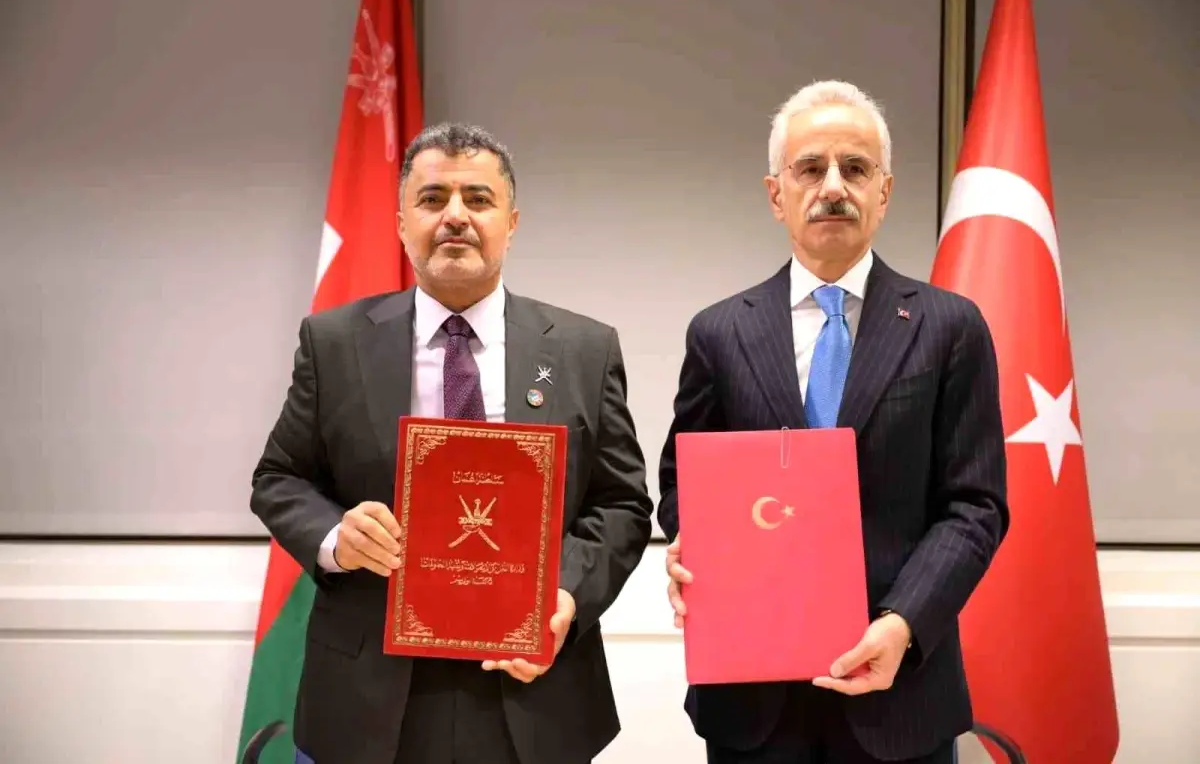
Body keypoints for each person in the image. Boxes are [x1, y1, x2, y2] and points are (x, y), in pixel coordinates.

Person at [250, 122, 654, 764]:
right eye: (433, 199)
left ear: (511, 223)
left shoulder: (584, 350)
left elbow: (622, 505)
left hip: (533, 691)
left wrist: (565, 597)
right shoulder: (333, 343)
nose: (455, 217)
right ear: (401, 222)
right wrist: (335, 538)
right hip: (369, 694)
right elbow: (279, 479)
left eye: (479, 199)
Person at [657, 80, 1009, 764]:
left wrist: (903, 624)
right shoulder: (720, 333)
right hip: (752, 699)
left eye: (855, 168)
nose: (833, 187)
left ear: (884, 191)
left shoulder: (950, 327)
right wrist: (690, 543)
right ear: (776, 194)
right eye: (811, 168)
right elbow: (681, 485)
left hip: (900, 693)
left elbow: (976, 505)